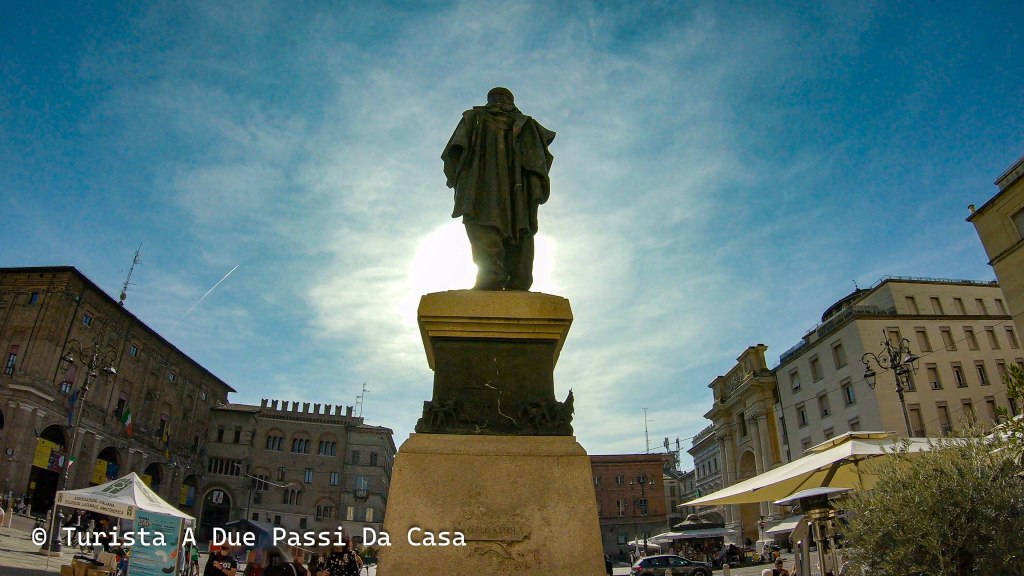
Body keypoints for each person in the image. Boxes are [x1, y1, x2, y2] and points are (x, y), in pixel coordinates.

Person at [442, 86, 556, 291]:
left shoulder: (526, 124)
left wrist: (458, 177)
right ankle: (492, 275)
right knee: (484, 224)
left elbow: (454, 155)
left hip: (515, 189)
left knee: (519, 227)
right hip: (482, 185)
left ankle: (515, 278)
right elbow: (455, 152)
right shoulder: (473, 118)